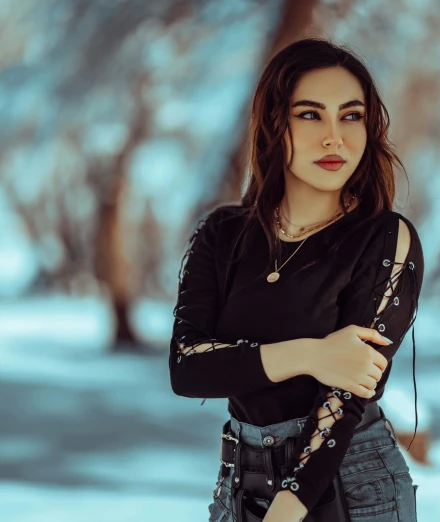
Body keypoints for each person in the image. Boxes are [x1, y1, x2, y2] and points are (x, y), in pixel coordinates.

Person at [170, 38, 424, 522]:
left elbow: (346, 396)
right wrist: (314, 354)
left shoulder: (385, 239)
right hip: (241, 481)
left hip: (352, 483)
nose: (335, 137)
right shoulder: (222, 234)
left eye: (351, 116)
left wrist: (287, 509)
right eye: (310, 115)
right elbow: (187, 366)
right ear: (273, 124)